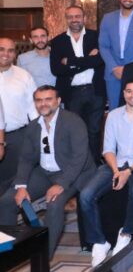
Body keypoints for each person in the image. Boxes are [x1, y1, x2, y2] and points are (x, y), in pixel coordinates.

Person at [0, 86, 96, 258]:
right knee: (7, 200)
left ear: (58, 101)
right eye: (39, 100)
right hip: (45, 172)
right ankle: (7, 252)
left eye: (48, 99)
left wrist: (61, 184)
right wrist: (21, 186)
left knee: (53, 203)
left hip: (73, 173)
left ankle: (43, 257)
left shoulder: (73, 122)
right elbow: (26, 159)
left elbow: (79, 158)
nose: (43, 104)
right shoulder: (33, 126)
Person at [80, 78, 133, 266]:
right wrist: (117, 171)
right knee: (86, 195)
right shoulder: (113, 116)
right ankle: (99, 241)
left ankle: (126, 233)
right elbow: (108, 149)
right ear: (123, 93)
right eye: (129, 91)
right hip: (115, 164)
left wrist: (129, 171)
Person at [50, 6, 106, 164]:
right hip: (72, 93)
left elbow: (100, 60)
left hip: (95, 91)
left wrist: (71, 62)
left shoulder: (97, 36)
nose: (74, 20)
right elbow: (57, 69)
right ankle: (79, 164)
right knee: (75, 131)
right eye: (70, 17)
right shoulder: (58, 41)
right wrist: (88, 61)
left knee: (94, 130)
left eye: (77, 16)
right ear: (66, 19)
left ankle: (95, 164)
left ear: (84, 18)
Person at [0, 38, 37, 192]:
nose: (5, 54)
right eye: (1, 49)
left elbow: (33, 108)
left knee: (15, 180)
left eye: (10, 50)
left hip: (18, 137)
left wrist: (37, 135)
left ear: (15, 54)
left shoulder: (24, 76)